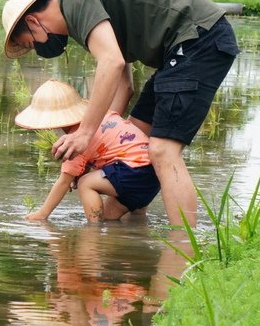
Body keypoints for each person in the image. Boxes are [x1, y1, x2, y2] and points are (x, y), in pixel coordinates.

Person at [2, 0, 239, 227]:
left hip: (198, 39)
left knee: (162, 151)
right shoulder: (86, 14)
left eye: (31, 43)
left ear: (33, 21)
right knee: (133, 140)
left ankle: (184, 247)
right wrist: (104, 143)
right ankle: (130, 231)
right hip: (181, 49)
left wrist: (85, 132)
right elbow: (124, 86)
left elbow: (112, 62)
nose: (38, 50)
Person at [15, 79, 160, 222]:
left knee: (85, 183)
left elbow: (63, 182)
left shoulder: (76, 139)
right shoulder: (102, 115)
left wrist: (42, 214)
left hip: (133, 171)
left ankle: (93, 231)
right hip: (153, 174)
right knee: (109, 219)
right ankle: (136, 225)